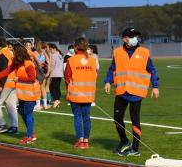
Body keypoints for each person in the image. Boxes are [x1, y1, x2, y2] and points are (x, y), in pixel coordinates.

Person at [104, 28, 159, 157]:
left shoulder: (144, 52)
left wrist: (155, 86)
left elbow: (152, 69)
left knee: (135, 121)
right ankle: (124, 141)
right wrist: (107, 81)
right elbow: (113, 68)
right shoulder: (117, 52)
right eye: (132, 36)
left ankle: (135, 148)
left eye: (136, 36)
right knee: (117, 119)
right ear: (124, 39)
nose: (135, 38)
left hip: (136, 92)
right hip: (121, 92)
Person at [0, 45, 41, 145]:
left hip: (30, 94)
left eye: (14, 52)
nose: (13, 54)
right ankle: (31, 133)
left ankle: (30, 137)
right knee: (22, 112)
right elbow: (7, 71)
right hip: (22, 95)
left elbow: (32, 78)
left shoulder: (28, 64)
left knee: (28, 114)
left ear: (19, 54)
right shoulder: (17, 64)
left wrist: (19, 79)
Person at [65, 38, 97, 149]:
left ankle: (80, 140)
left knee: (78, 117)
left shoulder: (71, 60)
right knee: (86, 117)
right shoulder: (93, 60)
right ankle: (86, 141)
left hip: (75, 94)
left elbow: (67, 77)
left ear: (75, 47)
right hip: (88, 94)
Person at [0, 37, 18, 134]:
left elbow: (4, 70)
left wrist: (0, 85)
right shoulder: (9, 52)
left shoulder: (2, 54)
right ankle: (14, 127)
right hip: (13, 83)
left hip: (5, 84)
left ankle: (1, 125)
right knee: (11, 105)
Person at [35, 41, 52, 110]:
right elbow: (49, 63)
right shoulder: (44, 53)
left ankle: (38, 105)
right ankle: (45, 104)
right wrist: (48, 71)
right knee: (43, 88)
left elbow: (38, 63)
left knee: (37, 88)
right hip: (43, 72)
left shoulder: (35, 53)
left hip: (37, 71)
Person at [48, 43, 64, 108]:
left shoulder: (53, 56)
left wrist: (48, 70)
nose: (50, 51)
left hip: (54, 74)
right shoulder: (60, 55)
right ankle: (58, 100)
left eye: (51, 49)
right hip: (60, 74)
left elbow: (52, 65)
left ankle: (56, 100)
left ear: (54, 48)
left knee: (52, 87)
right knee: (57, 87)